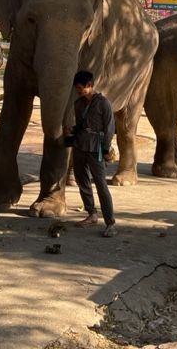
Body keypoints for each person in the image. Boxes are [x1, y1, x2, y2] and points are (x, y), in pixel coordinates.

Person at [67, 70, 117, 238]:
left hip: (97, 148)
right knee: (82, 181)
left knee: (101, 184)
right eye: (76, 88)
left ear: (89, 85)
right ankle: (91, 213)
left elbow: (109, 129)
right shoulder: (78, 104)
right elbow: (80, 125)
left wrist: (106, 149)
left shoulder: (104, 103)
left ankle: (110, 223)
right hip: (80, 146)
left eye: (80, 88)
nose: (78, 91)